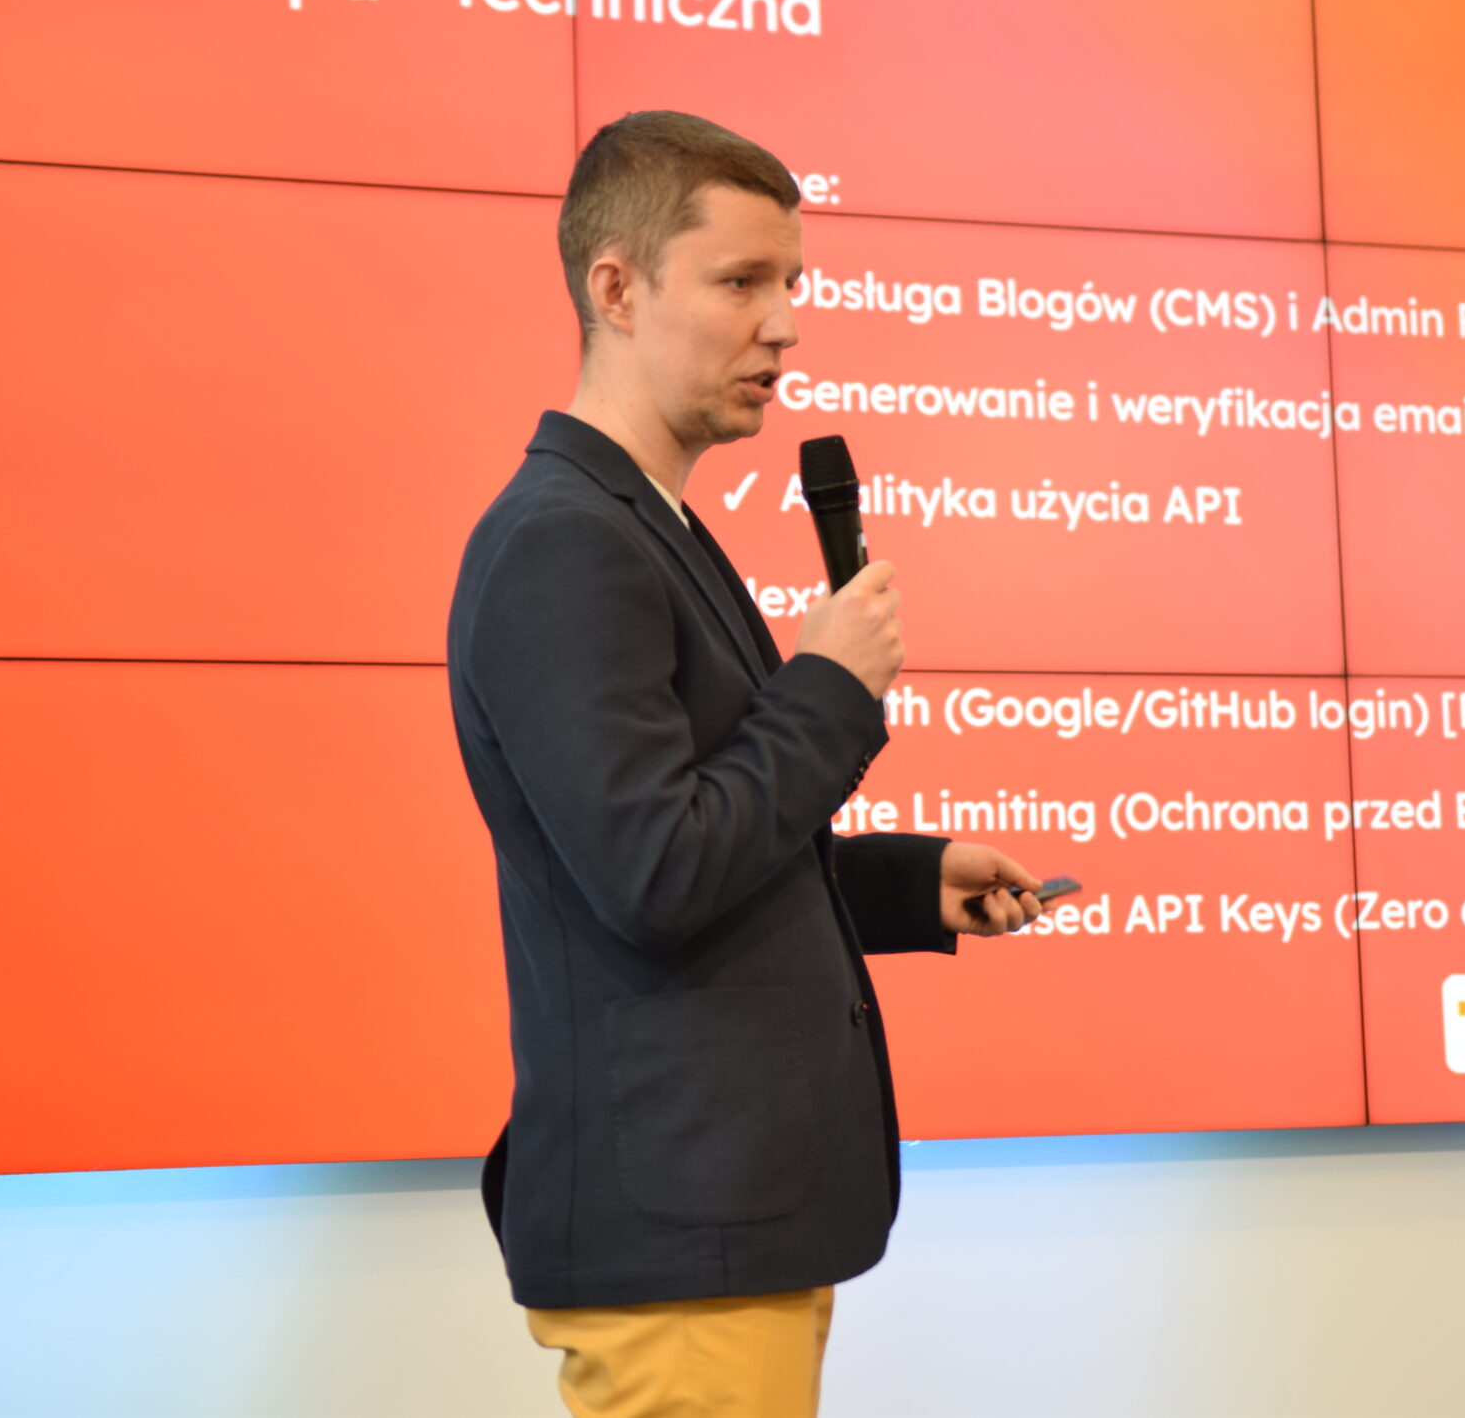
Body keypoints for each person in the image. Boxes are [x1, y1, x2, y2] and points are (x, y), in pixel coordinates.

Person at [447, 110, 1047, 1417]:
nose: (785, 326)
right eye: (740, 282)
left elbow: (694, 840)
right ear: (615, 288)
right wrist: (829, 687)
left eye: (792, 284)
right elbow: (655, 874)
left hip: (723, 1229)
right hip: (682, 1235)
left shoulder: (647, 523)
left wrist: (905, 886)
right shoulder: (567, 542)